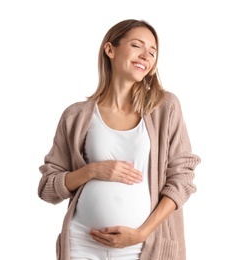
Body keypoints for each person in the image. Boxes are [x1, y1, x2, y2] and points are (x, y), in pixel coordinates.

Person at [38, 19, 201, 260]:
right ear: (110, 49)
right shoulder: (76, 116)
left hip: (143, 246)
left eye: (152, 52)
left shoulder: (165, 108)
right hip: (82, 244)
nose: (146, 55)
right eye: (137, 46)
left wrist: (142, 233)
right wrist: (92, 171)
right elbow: (47, 189)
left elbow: (182, 178)